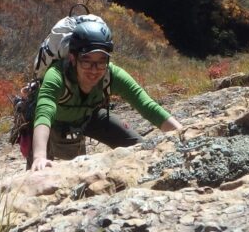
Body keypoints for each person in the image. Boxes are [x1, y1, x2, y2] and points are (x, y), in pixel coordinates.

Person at [29, 17, 181, 170]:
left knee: (138, 145)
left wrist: (181, 134)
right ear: (73, 58)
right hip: (50, 124)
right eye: (87, 61)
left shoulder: (112, 75)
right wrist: (39, 157)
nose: (94, 70)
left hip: (88, 117)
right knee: (37, 172)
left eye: (101, 61)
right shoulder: (56, 75)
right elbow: (44, 113)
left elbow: (146, 105)